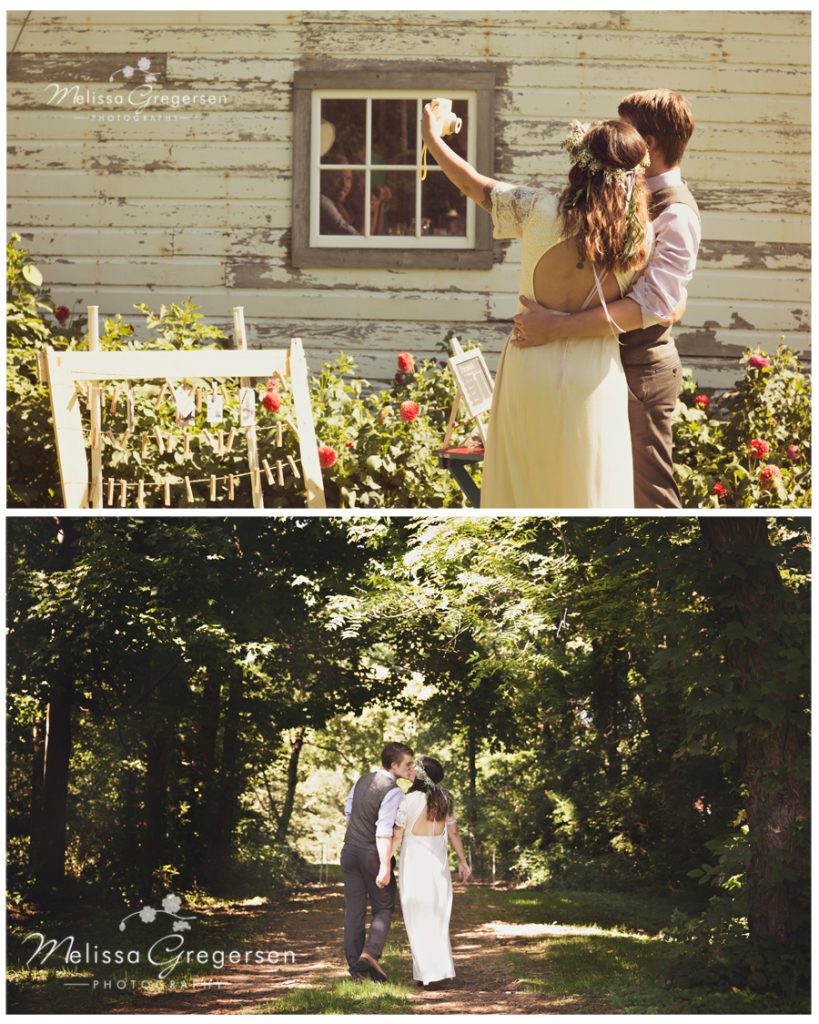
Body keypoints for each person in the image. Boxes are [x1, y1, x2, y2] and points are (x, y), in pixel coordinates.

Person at [421, 105, 655, 507]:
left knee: (522, 490)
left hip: (530, 368)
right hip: (593, 377)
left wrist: (434, 140)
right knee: (591, 493)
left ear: (579, 165)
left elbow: (473, 183)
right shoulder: (640, 239)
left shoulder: (536, 210)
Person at [514, 90, 700, 508]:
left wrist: (556, 327)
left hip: (642, 370)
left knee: (647, 493)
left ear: (648, 145)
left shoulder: (676, 213)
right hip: (607, 365)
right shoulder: (621, 195)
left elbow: (652, 307)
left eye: (628, 132)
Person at [390, 756, 471, 987]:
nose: (411, 770)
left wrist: (385, 861)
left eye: (415, 768)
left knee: (416, 916)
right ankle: (438, 971)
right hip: (438, 865)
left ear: (421, 774)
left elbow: (397, 835)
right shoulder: (445, 798)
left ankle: (427, 974)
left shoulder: (410, 800)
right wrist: (463, 862)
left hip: (414, 864)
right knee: (438, 915)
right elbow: (454, 834)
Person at [341, 741, 414, 982]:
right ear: (394, 765)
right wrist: (385, 865)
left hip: (349, 850)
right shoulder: (393, 792)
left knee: (354, 910)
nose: (411, 767)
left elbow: (349, 811)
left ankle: (356, 970)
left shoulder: (363, 780)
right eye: (408, 764)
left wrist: (357, 834)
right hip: (371, 853)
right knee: (384, 905)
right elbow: (384, 830)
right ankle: (370, 954)